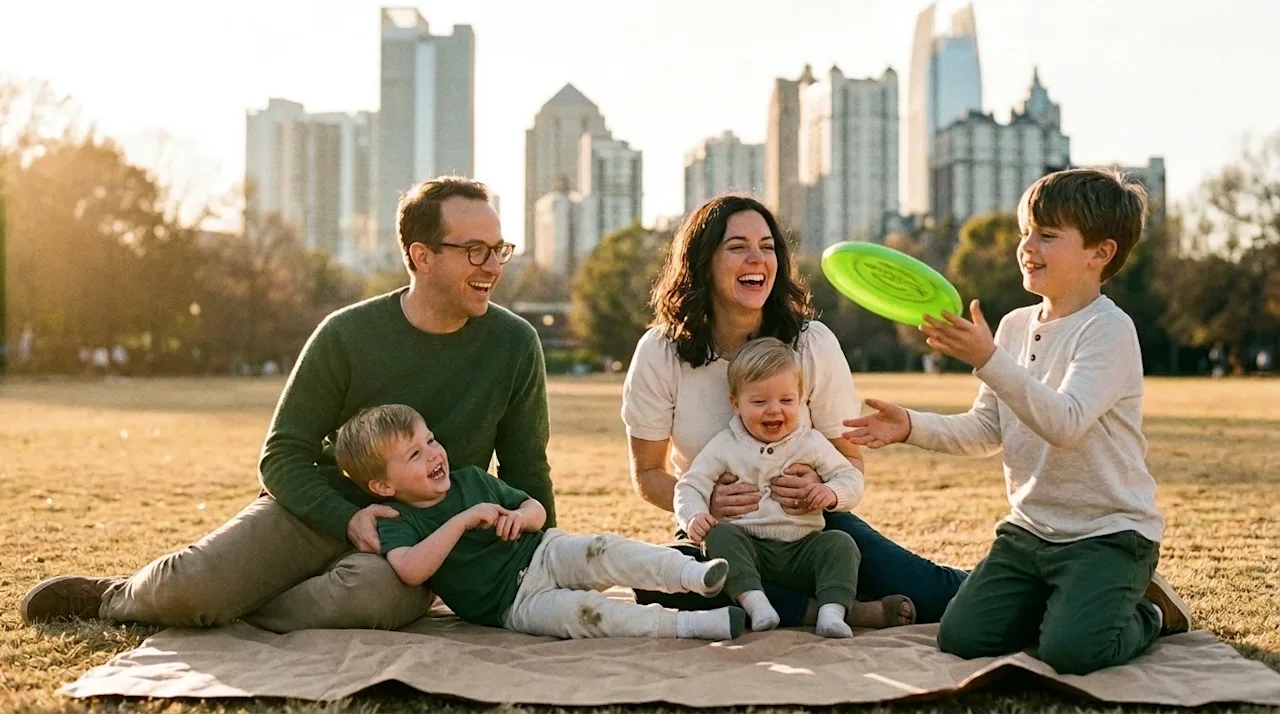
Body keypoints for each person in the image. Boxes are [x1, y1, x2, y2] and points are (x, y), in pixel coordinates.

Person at [20, 177, 555, 633]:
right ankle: (121, 596)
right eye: (475, 250)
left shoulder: (514, 343)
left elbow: (527, 470)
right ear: (421, 255)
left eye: (499, 249)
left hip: (422, 536)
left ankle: (235, 606)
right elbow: (283, 455)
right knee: (194, 588)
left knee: (366, 600)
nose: (493, 265)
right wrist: (348, 519)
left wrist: (544, 557)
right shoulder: (346, 334)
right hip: (312, 509)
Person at [845, 168, 1194, 675]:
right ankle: (1069, 602)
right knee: (962, 638)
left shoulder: (1109, 330)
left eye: (1047, 235)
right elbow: (987, 429)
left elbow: (1066, 422)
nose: (1027, 246)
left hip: (1107, 535)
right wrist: (909, 427)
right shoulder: (1012, 326)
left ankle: (1148, 610)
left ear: (1101, 253)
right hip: (1029, 533)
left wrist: (989, 359)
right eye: (1024, 232)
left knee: (1071, 654)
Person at [623, 194, 966, 628]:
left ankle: (1022, 588)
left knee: (933, 592)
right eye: (738, 247)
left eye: (767, 247)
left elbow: (850, 462)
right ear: (703, 260)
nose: (757, 259)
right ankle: (835, 609)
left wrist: (818, 484)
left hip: (809, 528)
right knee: (658, 582)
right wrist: (705, 502)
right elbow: (647, 476)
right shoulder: (660, 351)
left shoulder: (812, 343)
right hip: (721, 534)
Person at [336, 404, 745, 641]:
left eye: (430, 440)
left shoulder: (472, 480)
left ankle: (692, 573)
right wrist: (462, 522)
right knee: (587, 616)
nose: (433, 454)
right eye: (414, 455)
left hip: (544, 552)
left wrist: (518, 517)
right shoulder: (397, 520)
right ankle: (693, 624)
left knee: (605, 550)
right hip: (512, 605)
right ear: (382, 486)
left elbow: (536, 510)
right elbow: (409, 569)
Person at [676, 337, 912, 637]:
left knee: (840, 544)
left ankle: (831, 613)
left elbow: (849, 477)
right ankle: (756, 603)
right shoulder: (724, 446)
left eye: (786, 401)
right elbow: (690, 486)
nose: (774, 411)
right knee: (719, 538)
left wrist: (831, 493)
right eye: (759, 402)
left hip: (803, 549)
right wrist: (694, 515)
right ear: (735, 404)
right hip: (749, 549)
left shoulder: (810, 443)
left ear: (800, 398)